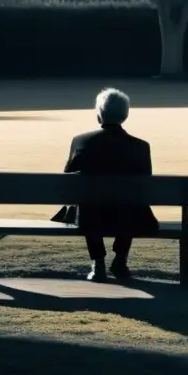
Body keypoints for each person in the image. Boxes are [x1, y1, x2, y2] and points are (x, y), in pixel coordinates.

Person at [59, 88, 159, 282]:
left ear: (99, 114)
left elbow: (68, 177)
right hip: (129, 216)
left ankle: (98, 262)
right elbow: (144, 183)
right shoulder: (140, 146)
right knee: (131, 202)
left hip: (92, 216)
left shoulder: (82, 141)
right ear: (125, 115)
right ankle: (120, 260)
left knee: (88, 201)